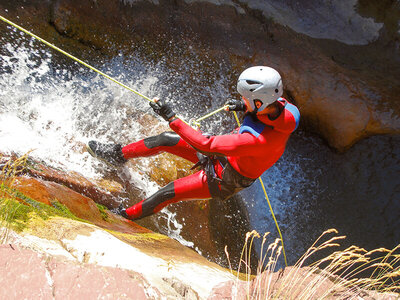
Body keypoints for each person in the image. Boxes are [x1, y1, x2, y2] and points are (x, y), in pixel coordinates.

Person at [87, 66, 300, 220]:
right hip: (225, 157)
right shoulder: (284, 108)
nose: (241, 99)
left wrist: (172, 118)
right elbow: (264, 116)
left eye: (244, 98)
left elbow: (205, 145)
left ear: (259, 102)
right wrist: (244, 107)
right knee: (164, 140)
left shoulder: (254, 141)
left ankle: (123, 217)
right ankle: (117, 155)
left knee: (167, 193)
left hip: (224, 178)